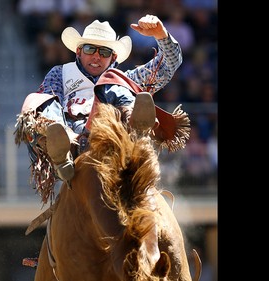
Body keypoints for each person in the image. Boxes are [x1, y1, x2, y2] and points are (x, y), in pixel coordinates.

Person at [15, 14, 183, 189]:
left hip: (109, 135)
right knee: (38, 100)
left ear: (113, 57)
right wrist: (61, 131)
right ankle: (63, 152)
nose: (96, 56)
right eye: (89, 49)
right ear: (79, 51)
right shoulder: (60, 73)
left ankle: (136, 126)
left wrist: (161, 35)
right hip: (70, 132)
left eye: (104, 52)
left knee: (114, 80)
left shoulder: (123, 79)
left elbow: (169, 65)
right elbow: (48, 103)